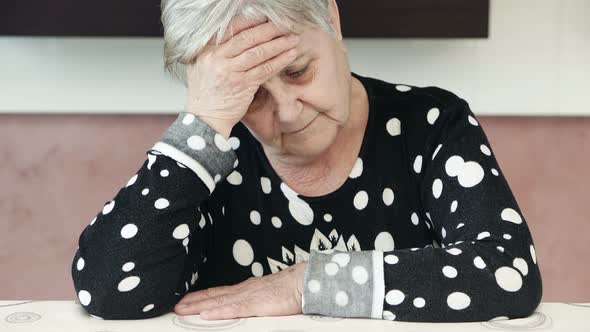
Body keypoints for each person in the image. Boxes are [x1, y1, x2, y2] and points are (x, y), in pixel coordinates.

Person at [71, 0, 542, 322]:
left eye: (298, 71)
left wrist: (306, 284)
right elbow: (109, 290)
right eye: (251, 94)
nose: (289, 111)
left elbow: (507, 272)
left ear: (332, 21)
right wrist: (204, 121)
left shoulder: (431, 124)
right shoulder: (212, 151)